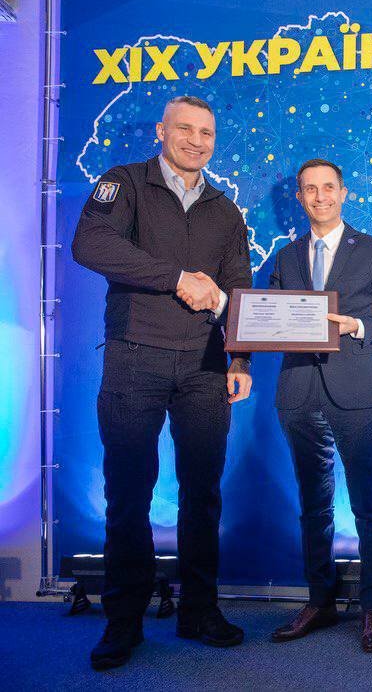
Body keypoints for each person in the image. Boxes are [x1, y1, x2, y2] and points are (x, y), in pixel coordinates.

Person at [71, 95, 253, 670]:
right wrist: (176, 278)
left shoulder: (226, 210)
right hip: (135, 359)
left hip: (205, 367)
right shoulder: (124, 183)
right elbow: (90, 244)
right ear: (161, 131)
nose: (196, 141)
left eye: (206, 132)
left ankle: (199, 611)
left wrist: (241, 360)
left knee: (203, 494)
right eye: (185, 129)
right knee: (129, 493)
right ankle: (123, 621)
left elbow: (238, 289)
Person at [268, 158, 372, 652]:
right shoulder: (286, 257)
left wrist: (359, 326)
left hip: (357, 392)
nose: (320, 197)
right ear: (299, 197)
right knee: (313, 506)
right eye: (310, 189)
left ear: (343, 192)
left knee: (368, 504)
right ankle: (320, 601)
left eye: (328, 187)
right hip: (298, 391)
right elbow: (269, 318)